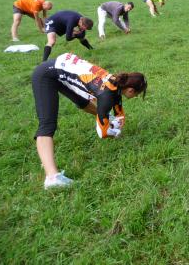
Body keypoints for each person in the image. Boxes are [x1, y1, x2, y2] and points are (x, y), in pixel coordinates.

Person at [32, 52, 147, 189]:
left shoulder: (115, 82)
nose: (136, 97)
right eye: (137, 95)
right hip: (45, 75)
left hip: (59, 71)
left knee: (82, 100)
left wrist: (118, 117)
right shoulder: (106, 95)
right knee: (47, 124)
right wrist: (114, 133)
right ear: (130, 90)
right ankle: (52, 178)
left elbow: (117, 103)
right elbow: (102, 133)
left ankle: (106, 118)